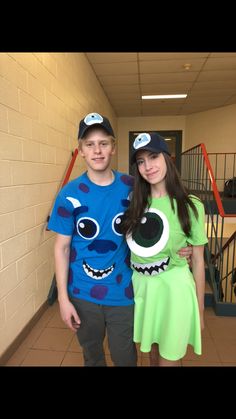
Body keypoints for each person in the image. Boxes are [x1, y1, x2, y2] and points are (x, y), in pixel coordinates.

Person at [48, 113, 193, 367]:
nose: (97, 151)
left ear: (113, 147)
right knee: (92, 357)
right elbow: (61, 247)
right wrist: (63, 299)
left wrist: (184, 245)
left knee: (125, 358)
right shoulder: (68, 194)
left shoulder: (132, 187)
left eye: (103, 143)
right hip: (82, 293)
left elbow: (161, 215)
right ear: (80, 150)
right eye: (89, 144)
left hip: (124, 292)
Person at [121, 132, 208, 366]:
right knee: (152, 354)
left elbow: (199, 261)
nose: (148, 166)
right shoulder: (135, 202)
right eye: (141, 161)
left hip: (174, 291)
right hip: (144, 290)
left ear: (167, 158)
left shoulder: (190, 205)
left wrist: (199, 310)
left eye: (153, 157)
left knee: (168, 358)